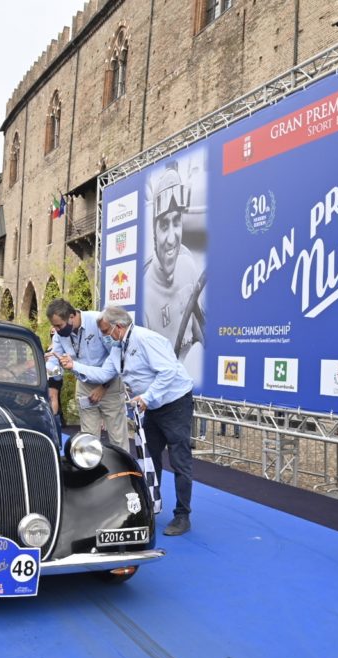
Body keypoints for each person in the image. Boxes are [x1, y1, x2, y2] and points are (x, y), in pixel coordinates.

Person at [60, 306, 195, 536]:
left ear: (119, 327)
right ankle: (149, 505)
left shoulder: (145, 339)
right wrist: (75, 366)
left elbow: (168, 371)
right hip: (152, 407)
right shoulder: (118, 348)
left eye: (106, 331)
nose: (104, 337)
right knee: (148, 459)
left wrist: (147, 397)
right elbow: (104, 375)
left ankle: (182, 515)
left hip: (175, 404)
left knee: (179, 460)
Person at [143, 163, 205, 379]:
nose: (172, 238)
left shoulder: (188, 266)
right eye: (164, 225)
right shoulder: (144, 297)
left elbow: (200, 335)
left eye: (176, 222)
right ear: (154, 231)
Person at [45, 298, 130, 452]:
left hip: (109, 384)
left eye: (59, 325)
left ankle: (122, 467)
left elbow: (116, 358)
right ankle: (91, 466)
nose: (56, 330)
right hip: (84, 385)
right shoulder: (59, 334)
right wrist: (50, 382)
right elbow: (54, 361)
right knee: (88, 438)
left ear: (71, 317)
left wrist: (103, 387)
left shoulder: (98, 322)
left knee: (118, 438)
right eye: (54, 326)